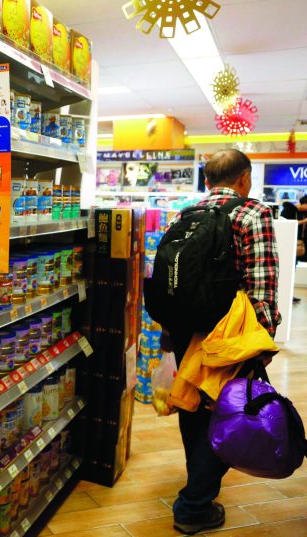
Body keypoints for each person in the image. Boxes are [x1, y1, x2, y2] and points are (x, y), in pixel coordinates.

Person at [161, 149, 280, 535]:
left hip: (185, 329)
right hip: (229, 333)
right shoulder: (253, 213)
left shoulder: (185, 215)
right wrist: (263, 338)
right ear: (244, 178)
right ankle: (193, 504)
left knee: (194, 406)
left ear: (207, 181)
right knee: (230, 412)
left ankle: (198, 487)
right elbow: (262, 283)